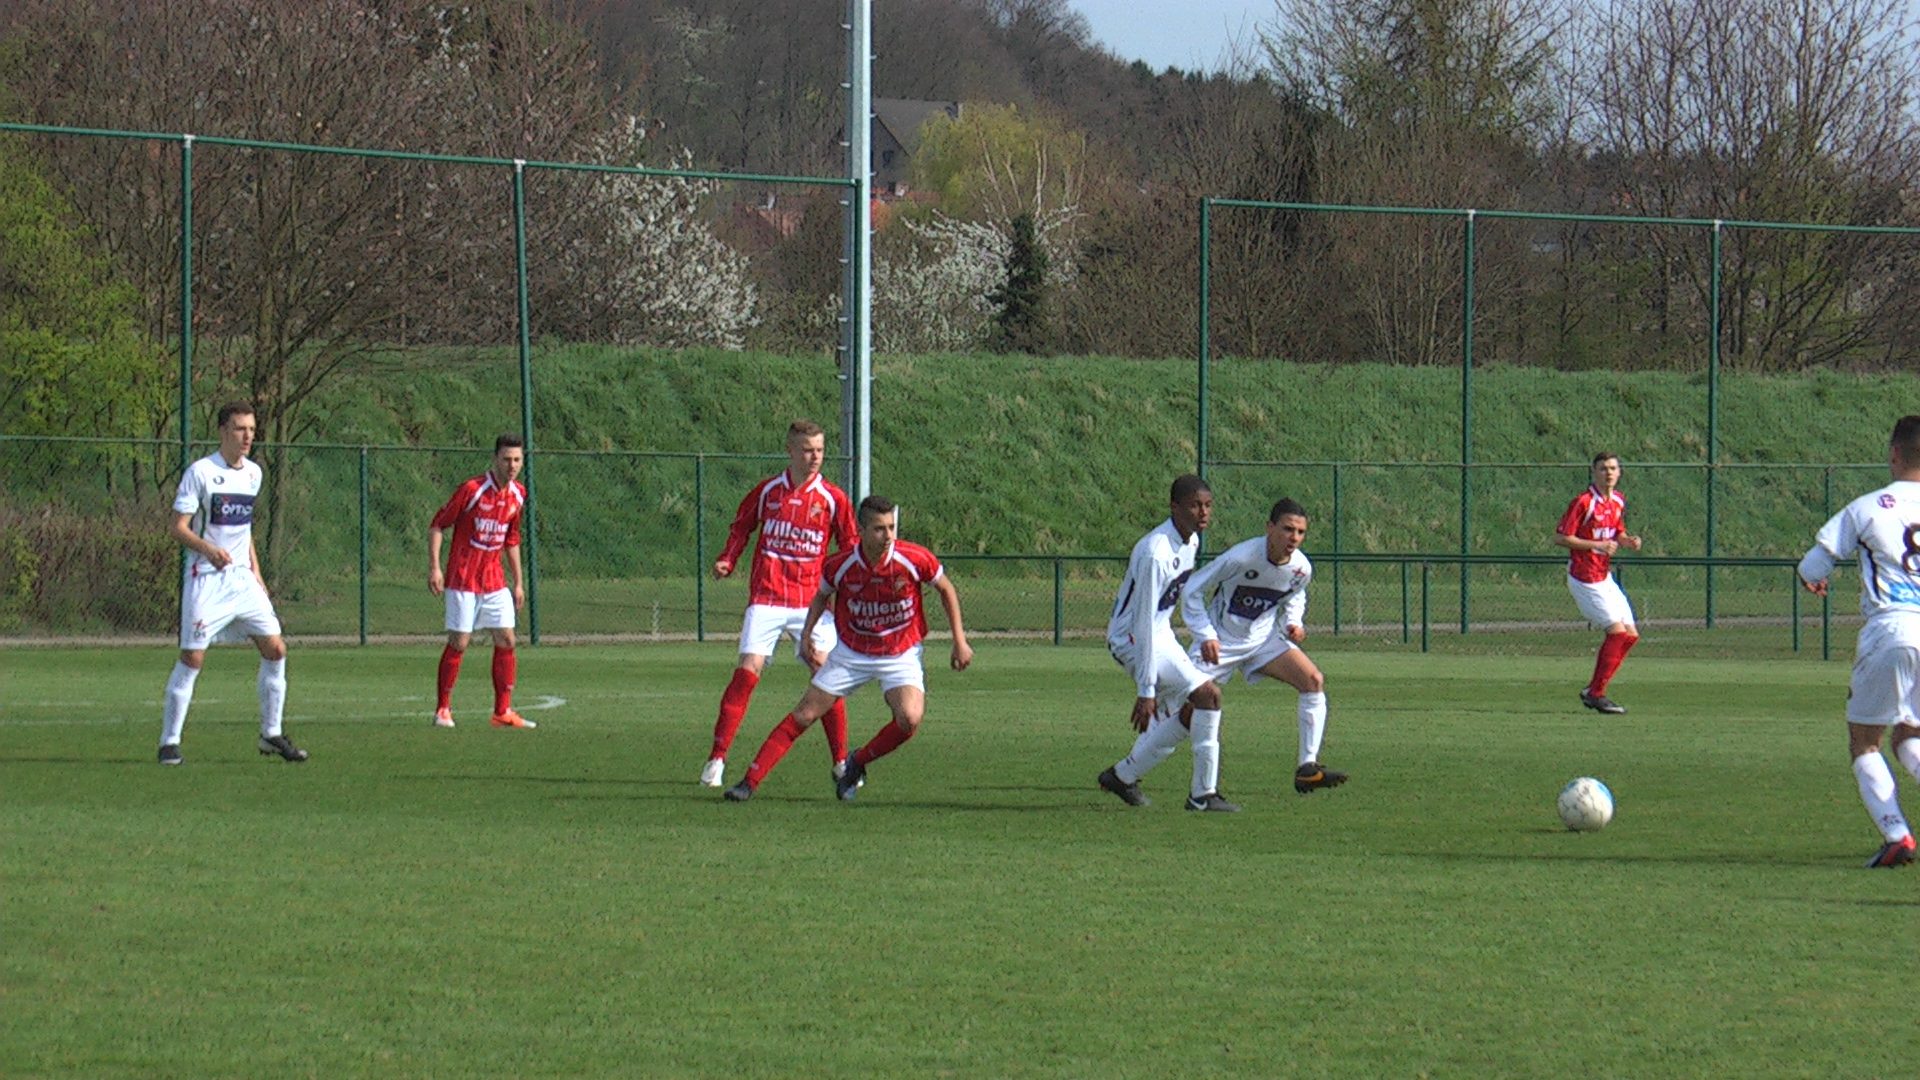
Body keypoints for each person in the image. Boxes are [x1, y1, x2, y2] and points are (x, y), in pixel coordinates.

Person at [723, 495, 972, 802]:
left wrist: (959, 641)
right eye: (879, 529)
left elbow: (946, 588)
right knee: (805, 714)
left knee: (909, 718)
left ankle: (856, 762)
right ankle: (748, 782)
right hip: (851, 654)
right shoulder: (841, 565)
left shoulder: (913, 558)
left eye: (891, 527)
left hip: (899, 653)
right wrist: (807, 634)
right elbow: (820, 596)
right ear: (861, 530)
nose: (888, 536)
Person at [701, 420, 860, 787]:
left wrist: (850, 587)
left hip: (811, 601)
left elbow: (850, 544)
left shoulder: (833, 498)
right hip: (768, 596)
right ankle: (717, 758)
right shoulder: (769, 491)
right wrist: (728, 558)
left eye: (819, 450)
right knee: (748, 669)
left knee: (826, 675)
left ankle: (841, 763)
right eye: (807, 450)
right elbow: (742, 526)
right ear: (790, 451)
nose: (815, 457)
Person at [1798, 415, 1920, 868]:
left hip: (1892, 629)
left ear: (1894, 454)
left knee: (1865, 741)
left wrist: (1813, 577)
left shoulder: (1866, 507)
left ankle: (1896, 834)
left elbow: (1813, 566)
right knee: (1910, 735)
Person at [157, 401, 307, 764]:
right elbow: (177, 527)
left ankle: (271, 734)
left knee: (276, 649)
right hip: (206, 579)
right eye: (240, 429)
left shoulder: (254, 474)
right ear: (223, 431)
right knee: (192, 657)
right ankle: (169, 743)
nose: (247, 436)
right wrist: (208, 550)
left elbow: (244, 530)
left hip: (242, 580)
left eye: (251, 430)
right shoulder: (201, 472)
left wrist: (256, 574)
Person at [1180, 498, 1348, 795]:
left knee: (1312, 680)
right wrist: (1206, 634)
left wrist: (1293, 622)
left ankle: (1307, 768)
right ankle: (1127, 771)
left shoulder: (1301, 567)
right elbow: (1193, 589)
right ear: (1270, 527)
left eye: (1300, 532)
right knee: (1182, 711)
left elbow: (1295, 593)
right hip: (1221, 642)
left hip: (1261, 641)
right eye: (1287, 529)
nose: (1294, 537)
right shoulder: (1241, 557)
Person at [1096, 475, 1239, 812]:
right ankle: (1202, 795)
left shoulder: (1191, 542)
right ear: (1175, 508)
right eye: (1194, 505)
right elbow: (1143, 622)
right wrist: (1146, 689)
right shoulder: (1155, 552)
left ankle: (1123, 776)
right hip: (1132, 638)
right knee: (1208, 697)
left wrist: (1203, 634)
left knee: (1197, 706)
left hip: (1160, 634)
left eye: (1208, 505)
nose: (1203, 513)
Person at [427, 434, 532, 729]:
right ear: (495, 459)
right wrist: (435, 568)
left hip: (494, 580)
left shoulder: (518, 494)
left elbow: (511, 539)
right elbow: (438, 525)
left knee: (507, 639)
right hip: (463, 578)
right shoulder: (472, 490)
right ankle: (442, 710)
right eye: (506, 459)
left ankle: (502, 712)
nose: (512, 465)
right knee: (460, 642)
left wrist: (518, 582)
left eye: (517, 460)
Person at [1554, 453, 1644, 714]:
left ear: (1620, 472)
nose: (1609, 473)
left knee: (1630, 636)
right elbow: (1561, 537)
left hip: (1603, 577)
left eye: (1613, 468)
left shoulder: (1617, 501)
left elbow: (1617, 531)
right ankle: (1596, 693)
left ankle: (1593, 690)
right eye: (1603, 468)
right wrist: (1598, 545)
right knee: (1616, 633)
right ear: (1593, 472)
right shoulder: (1584, 502)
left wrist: (1627, 541)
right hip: (1585, 578)